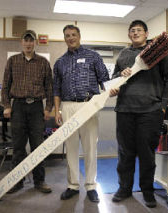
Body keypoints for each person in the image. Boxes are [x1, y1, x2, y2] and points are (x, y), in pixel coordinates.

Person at [109, 20, 168, 208]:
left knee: (147, 154)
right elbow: (113, 80)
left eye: (139, 30)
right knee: (125, 153)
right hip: (124, 110)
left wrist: (163, 104)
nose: (135, 33)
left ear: (146, 33)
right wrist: (117, 79)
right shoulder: (123, 54)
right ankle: (124, 189)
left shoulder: (157, 53)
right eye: (132, 31)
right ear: (128, 35)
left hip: (150, 112)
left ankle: (147, 191)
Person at [53, 25, 109, 202]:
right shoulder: (60, 62)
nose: (70, 38)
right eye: (67, 36)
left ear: (79, 36)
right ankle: (73, 185)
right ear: (64, 38)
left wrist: (104, 97)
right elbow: (56, 89)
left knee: (90, 147)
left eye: (73, 35)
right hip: (68, 106)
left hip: (88, 105)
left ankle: (91, 186)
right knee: (71, 148)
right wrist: (57, 111)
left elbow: (105, 81)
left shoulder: (93, 56)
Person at [1, 29, 53, 194]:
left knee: (38, 146)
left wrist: (48, 108)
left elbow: (49, 88)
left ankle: (40, 181)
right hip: (18, 107)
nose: (28, 43)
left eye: (31, 41)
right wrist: (6, 105)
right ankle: (17, 181)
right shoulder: (12, 61)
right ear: (21, 42)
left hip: (37, 107)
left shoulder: (43, 62)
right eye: (26, 40)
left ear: (35, 42)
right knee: (18, 147)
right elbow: (5, 85)